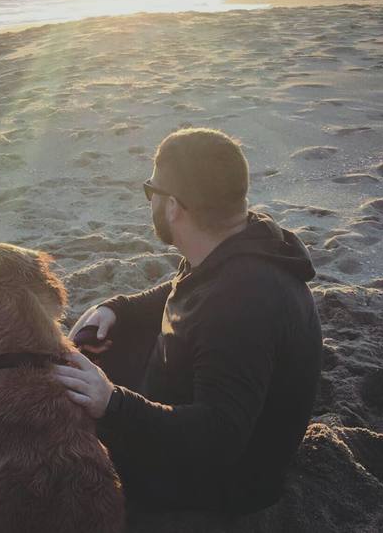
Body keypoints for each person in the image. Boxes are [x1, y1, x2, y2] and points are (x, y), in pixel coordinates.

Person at [51, 128, 323, 516]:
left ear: (173, 206)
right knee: (97, 347)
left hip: (215, 486)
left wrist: (112, 403)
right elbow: (188, 288)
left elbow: (218, 438)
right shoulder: (243, 243)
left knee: (72, 416)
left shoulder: (240, 306)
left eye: (151, 190)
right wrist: (119, 308)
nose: (149, 201)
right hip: (206, 411)